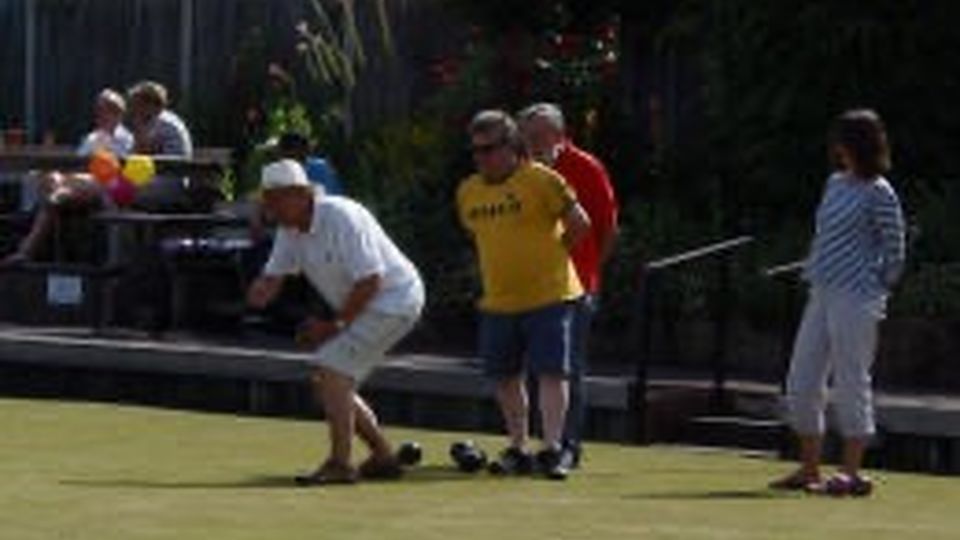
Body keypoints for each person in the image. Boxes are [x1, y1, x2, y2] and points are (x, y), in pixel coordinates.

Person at [246, 159, 425, 485]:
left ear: (299, 194)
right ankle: (383, 455)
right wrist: (261, 290)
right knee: (327, 380)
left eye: (275, 199)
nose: (269, 208)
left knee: (332, 371)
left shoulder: (342, 217)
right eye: (266, 201)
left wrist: (334, 326)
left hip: (395, 299)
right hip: (367, 303)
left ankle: (341, 464)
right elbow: (274, 275)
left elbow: (370, 279)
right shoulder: (290, 228)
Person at [770, 109, 906, 497]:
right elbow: (824, 234)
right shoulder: (835, 183)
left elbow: (894, 248)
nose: (837, 148)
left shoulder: (879, 191)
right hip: (822, 291)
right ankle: (809, 468)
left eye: (842, 141)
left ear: (858, 145)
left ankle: (851, 473)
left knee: (851, 380)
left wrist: (876, 284)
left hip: (857, 297)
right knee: (801, 381)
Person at [456, 110, 591, 480]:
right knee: (504, 377)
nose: (481, 157)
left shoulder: (542, 180)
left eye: (489, 148)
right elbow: (479, 237)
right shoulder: (468, 191)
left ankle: (553, 449)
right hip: (499, 300)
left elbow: (580, 224)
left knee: (552, 372)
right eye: (476, 150)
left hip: (551, 296)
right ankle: (518, 447)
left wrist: (552, 259)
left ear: (513, 147)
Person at [518, 103, 619, 469]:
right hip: (529, 285)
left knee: (566, 367)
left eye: (540, 136)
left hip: (575, 286)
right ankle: (539, 443)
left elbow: (606, 227)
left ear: (559, 136)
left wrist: (589, 273)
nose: (532, 143)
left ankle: (567, 446)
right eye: (527, 136)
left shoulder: (585, 168)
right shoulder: (520, 172)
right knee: (534, 367)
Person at [1, 88, 133, 266]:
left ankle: (27, 248)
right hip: (77, 183)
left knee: (56, 193)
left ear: (118, 113)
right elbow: (75, 163)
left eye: (105, 109)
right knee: (42, 176)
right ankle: (40, 228)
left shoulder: (126, 139)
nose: (99, 114)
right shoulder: (92, 137)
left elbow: (120, 172)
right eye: (98, 110)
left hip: (103, 187)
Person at [125, 80, 195, 211]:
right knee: (118, 187)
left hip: (170, 182)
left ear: (149, 103)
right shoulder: (157, 120)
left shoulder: (162, 123)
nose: (133, 109)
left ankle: (119, 230)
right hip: (160, 178)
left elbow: (140, 153)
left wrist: (138, 128)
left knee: (119, 191)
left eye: (136, 104)